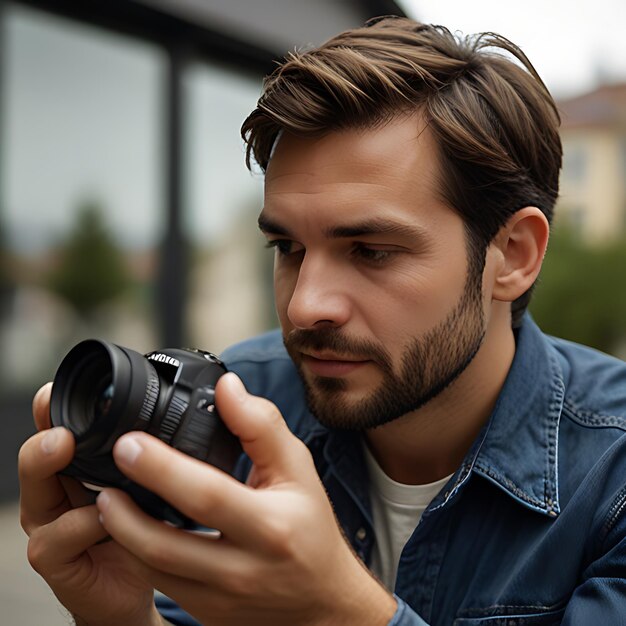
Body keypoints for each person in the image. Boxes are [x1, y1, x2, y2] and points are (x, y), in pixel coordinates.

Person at [19, 16, 626, 626]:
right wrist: (125, 617)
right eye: (287, 249)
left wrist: (341, 611)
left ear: (513, 255)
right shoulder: (242, 403)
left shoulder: (613, 474)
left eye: (372, 251)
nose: (306, 306)